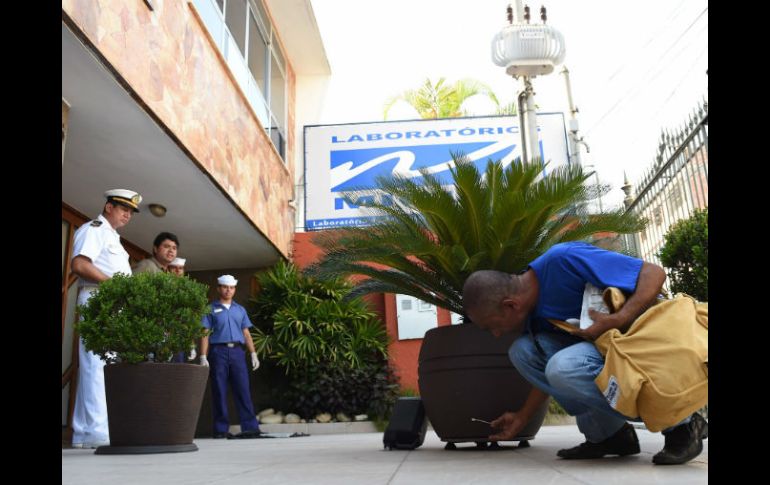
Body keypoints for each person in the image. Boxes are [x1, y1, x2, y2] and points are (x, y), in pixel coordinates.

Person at [461, 241, 707, 465]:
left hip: (641, 344)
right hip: (604, 351)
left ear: (510, 305)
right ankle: (610, 436)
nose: (495, 334)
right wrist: (523, 416)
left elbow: (654, 273)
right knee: (523, 352)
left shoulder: (563, 260)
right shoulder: (529, 316)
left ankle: (682, 423)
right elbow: (552, 375)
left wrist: (618, 318)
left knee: (562, 366)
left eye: (491, 326)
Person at [70, 188, 142, 449]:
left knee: (99, 366)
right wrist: (115, 286)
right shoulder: (95, 229)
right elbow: (79, 265)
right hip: (98, 298)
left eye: (131, 212)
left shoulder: (113, 237)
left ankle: (85, 432)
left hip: (110, 302)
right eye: (123, 209)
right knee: (97, 367)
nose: (127, 215)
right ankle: (99, 432)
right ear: (108, 207)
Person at [199, 275, 262, 439]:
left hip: (237, 353)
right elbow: (204, 333)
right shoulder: (210, 309)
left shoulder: (240, 310)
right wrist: (203, 356)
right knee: (219, 390)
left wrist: (253, 353)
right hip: (218, 352)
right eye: (225, 287)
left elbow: (246, 333)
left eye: (232, 287)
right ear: (219, 288)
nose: (228, 290)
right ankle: (220, 429)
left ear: (234, 289)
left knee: (243, 389)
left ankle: (250, 427)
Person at [168, 258, 196, 363]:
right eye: (174, 268)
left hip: (180, 336)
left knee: (177, 372)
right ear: (168, 269)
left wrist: (192, 345)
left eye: (180, 268)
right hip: (161, 335)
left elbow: (190, 320)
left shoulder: (188, 291)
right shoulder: (161, 287)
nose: (177, 270)